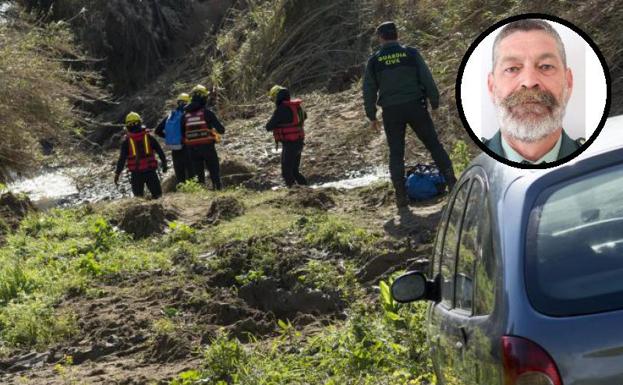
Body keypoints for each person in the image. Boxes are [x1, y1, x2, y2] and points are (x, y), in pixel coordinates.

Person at [363, 21, 456, 208]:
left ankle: (401, 196)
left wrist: (371, 115)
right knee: (433, 145)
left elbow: (369, 90)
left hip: (391, 112)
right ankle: (453, 184)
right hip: (416, 106)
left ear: (380, 37)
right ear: (397, 34)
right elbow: (427, 78)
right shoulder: (411, 54)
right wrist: (435, 102)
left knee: (396, 153)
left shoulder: (374, 61)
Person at [483, 19, 584, 164]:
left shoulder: (598, 160)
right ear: (492, 87)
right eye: (512, 69)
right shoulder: (476, 166)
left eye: (545, 66)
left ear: (568, 82)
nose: (529, 82)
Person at [182, 84, 226, 190]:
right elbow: (221, 130)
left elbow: (183, 134)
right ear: (203, 98)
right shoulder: (207, 113)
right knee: (214, 171)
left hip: (192, 150)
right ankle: (218, 190)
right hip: (207, 148)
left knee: (199, 176)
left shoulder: (184, 116)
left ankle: (202, 194)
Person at [114, 112, 167, 198]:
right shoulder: (148, 137)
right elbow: (160, 151)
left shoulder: (126, 141)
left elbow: (122, 159)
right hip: (150, 172)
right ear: (140, 122)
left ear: (127, 126)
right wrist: (164, 164)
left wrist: (117, 174)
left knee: (138, 199)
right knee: (158, 197)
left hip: (136, 174)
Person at [265, 85, 308, 188]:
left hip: (290, 145)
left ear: (278, 97)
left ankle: (294, 192)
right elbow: (305, 116)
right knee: (295, 171)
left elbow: (268, 127)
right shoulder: (296, 107)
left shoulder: (281, 110)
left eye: (274, 99)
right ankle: (307, 189)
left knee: (286, 173)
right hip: (299, 142)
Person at [155, 92, 191, 184]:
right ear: (188, 102)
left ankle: (183, 191)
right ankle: (194, 191)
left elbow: (157, 131)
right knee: (191, 173)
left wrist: (170, 137)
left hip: (175, 147)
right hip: (188, 147)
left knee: (180, 174)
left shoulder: (170, 116)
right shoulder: (188, 115)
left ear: (178, 103)